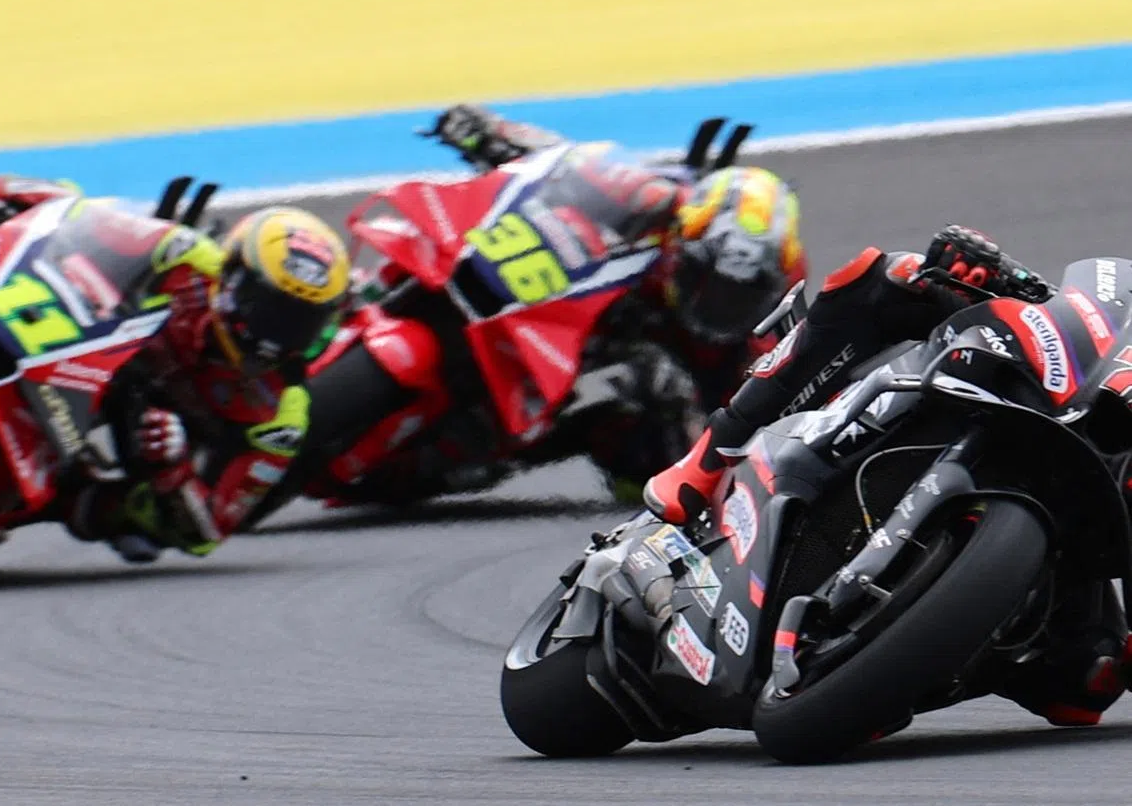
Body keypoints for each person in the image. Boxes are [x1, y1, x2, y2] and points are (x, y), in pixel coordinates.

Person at [643, 224, 1132, 726]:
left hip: (1089, 529)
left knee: (1086, 688)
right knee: (892, 276)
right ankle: (708, 458)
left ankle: (902, 669)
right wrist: (1003, 273)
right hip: (1046, 400)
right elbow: (1089, 311)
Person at [422, 104, 808, 410]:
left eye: (739, 294)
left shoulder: (768, 326)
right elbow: (565, 161)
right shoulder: (655, 198)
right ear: (681, 240)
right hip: (561, 290)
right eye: (705, 278)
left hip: (633, 362)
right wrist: (491, 131)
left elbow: (767, 408)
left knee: (657, 428)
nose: (716, 302)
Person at [60, 204, 352, 562]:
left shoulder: (283, 414)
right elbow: (74, 215)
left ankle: (61, 495)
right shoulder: (185, 255)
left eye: (299, 324)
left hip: (150, 435)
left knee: (123, 520)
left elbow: (210, 532)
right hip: (89, 346)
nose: (276, 337)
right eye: (269, 311)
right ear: (232, 278)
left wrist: (173, 470)